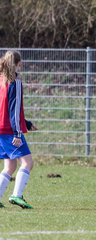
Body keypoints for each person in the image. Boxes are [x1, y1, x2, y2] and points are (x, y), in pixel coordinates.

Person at [0, 50, 37, 209]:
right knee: (28, 162)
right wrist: (18, 132)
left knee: (9, 167)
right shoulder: (15, 82)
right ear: (18, 64)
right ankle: (16, 195)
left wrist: (25, 123)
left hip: (1, 129)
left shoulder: (1, 80)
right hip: (10, 131)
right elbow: (13, 110)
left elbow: (5, 108)